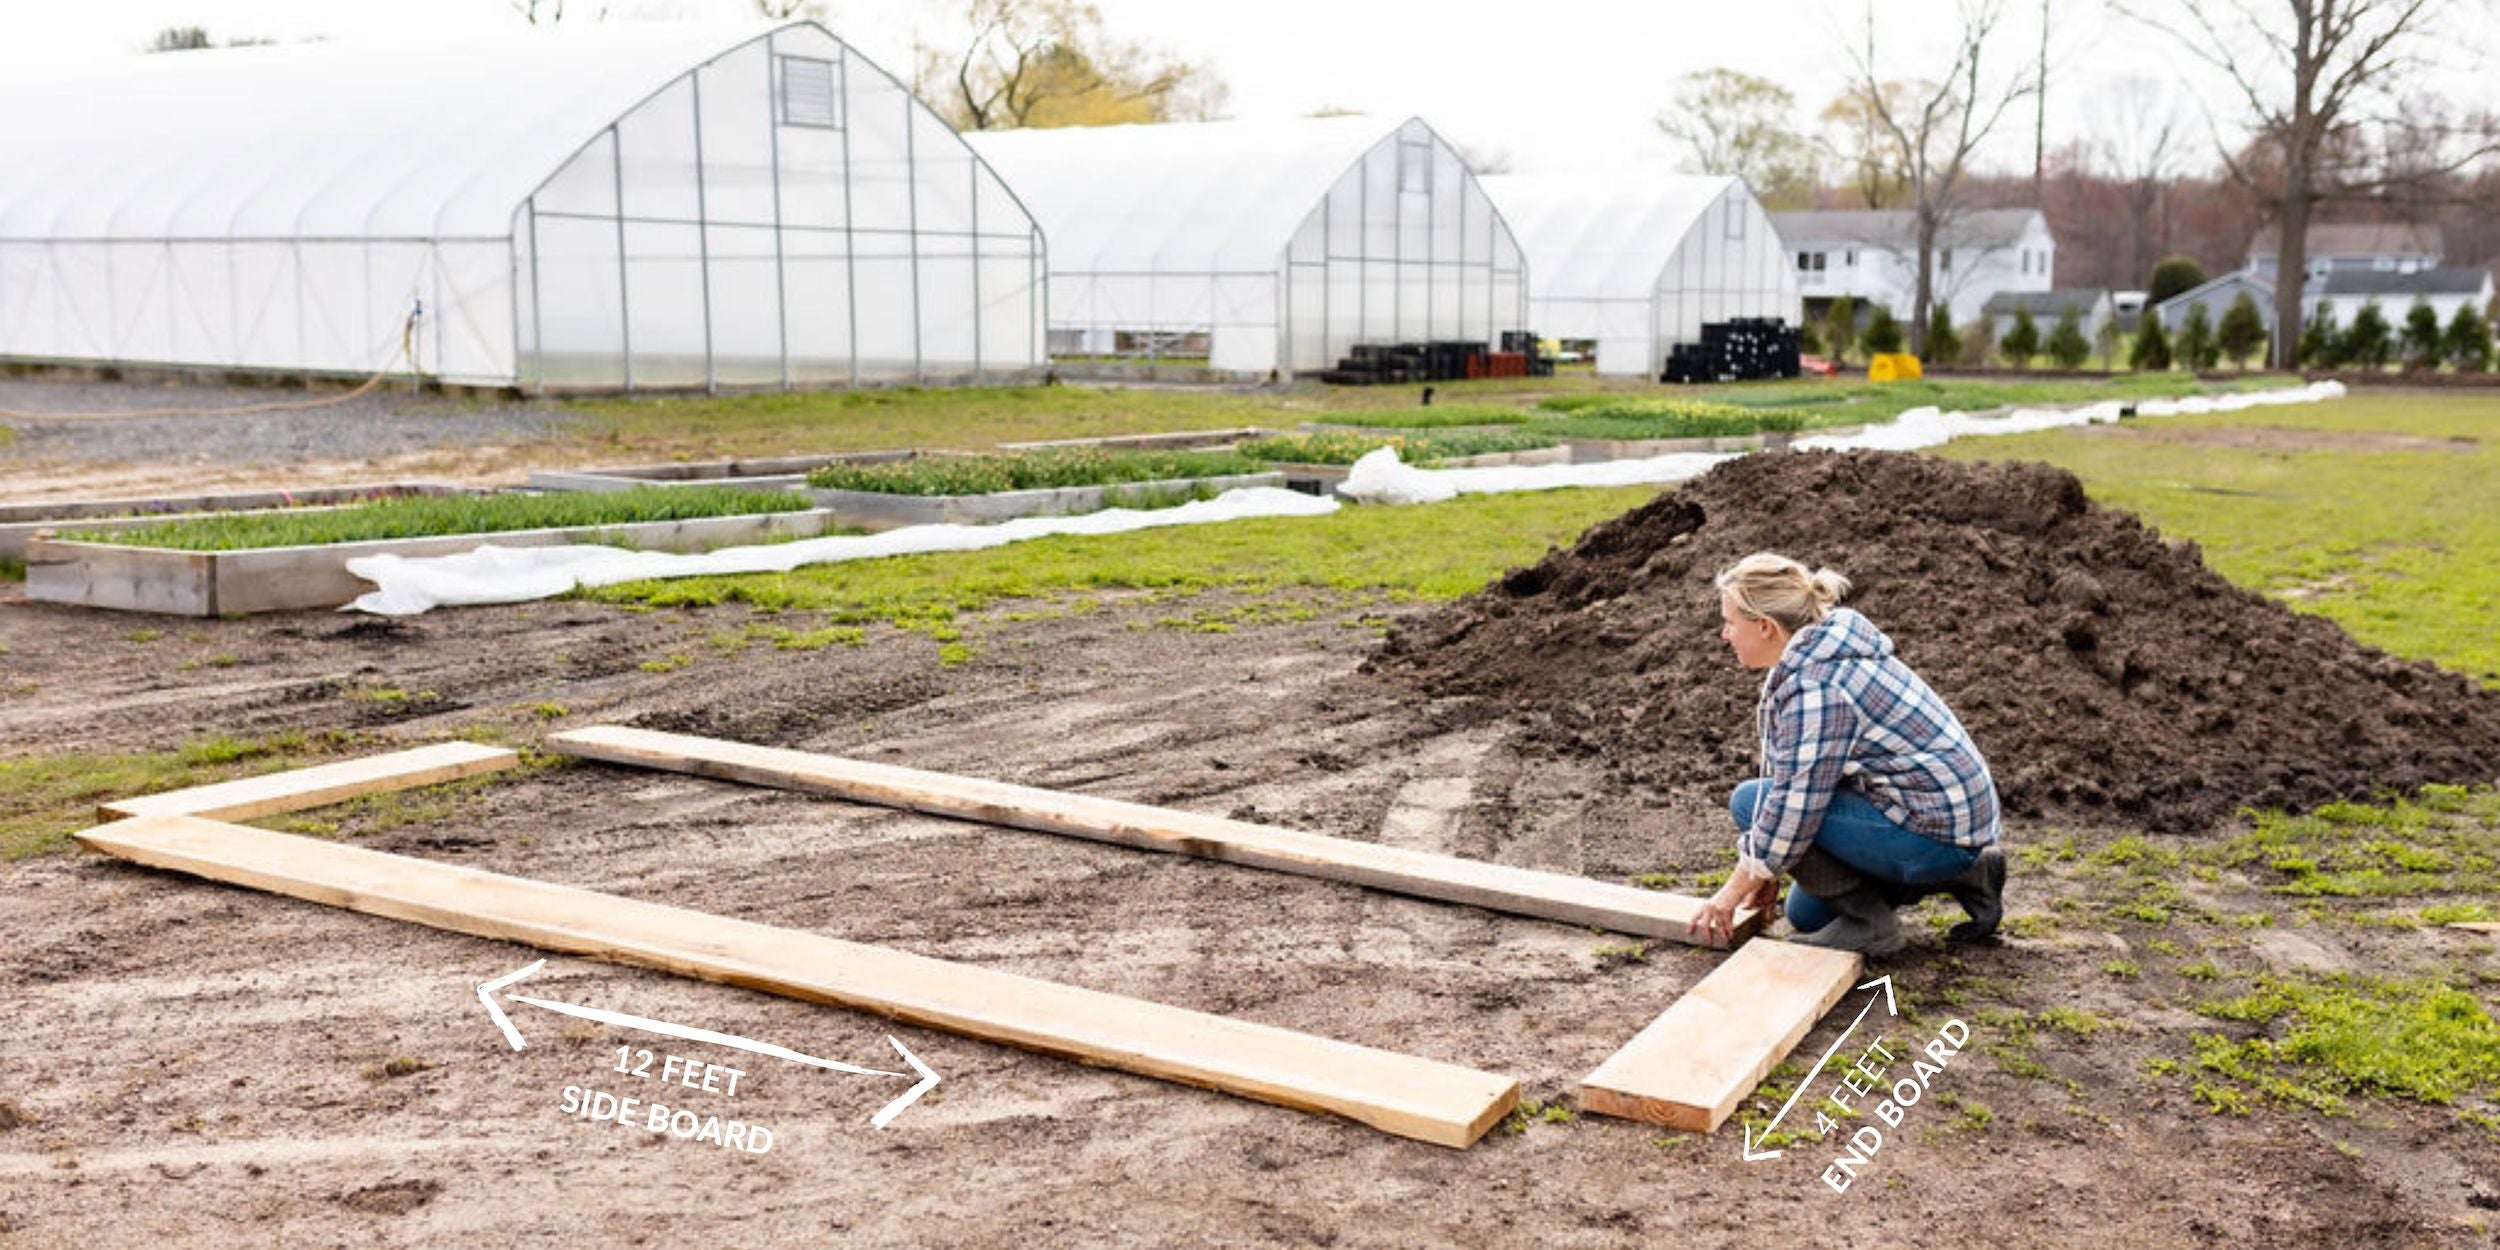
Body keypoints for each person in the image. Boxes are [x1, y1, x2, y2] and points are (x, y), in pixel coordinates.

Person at [1685, 553, 2007, 956]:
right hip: (1950, 824)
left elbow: (1791, 806)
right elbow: (1803, 778)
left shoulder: (1818, 687)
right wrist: (1765, 871)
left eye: (1730, 622)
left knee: (1752, 802)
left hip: (1934, 831)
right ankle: (1974, 876)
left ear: (1765, 627)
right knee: (1808, 914)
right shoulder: (1824, 649)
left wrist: (1730, 894)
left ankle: (1871, 926)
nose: (1724, 634)